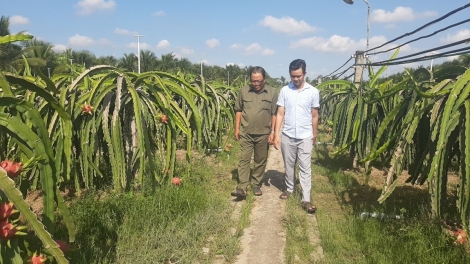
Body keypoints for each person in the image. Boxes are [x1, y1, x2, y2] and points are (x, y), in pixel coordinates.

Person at [273, 59, 320, 213]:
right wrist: (277, 134)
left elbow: (314, 115)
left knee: (305, 167)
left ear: (304, 74)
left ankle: (306, 198)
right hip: (288, 134)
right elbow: (280, 113)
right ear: (290, 75)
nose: (296, 79)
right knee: (289, 164)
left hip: (305, 135)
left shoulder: (313, 92)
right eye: (293, 76)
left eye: (299, 76)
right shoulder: (285, 91)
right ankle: (289, 189)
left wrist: (314, 134)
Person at [231, 66, 278, 198]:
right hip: (246, 132)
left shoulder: (272, 93)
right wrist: (237, 128)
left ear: (264, 79)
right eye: (253, 81)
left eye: (259, 81)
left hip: (263, 133)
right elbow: (238, 110)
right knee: (244, 159)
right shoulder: (244, 91)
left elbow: (274, 113)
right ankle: (242, 186)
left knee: (260, 160)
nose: (256, 84)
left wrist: (273, 132)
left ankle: (256, 183)